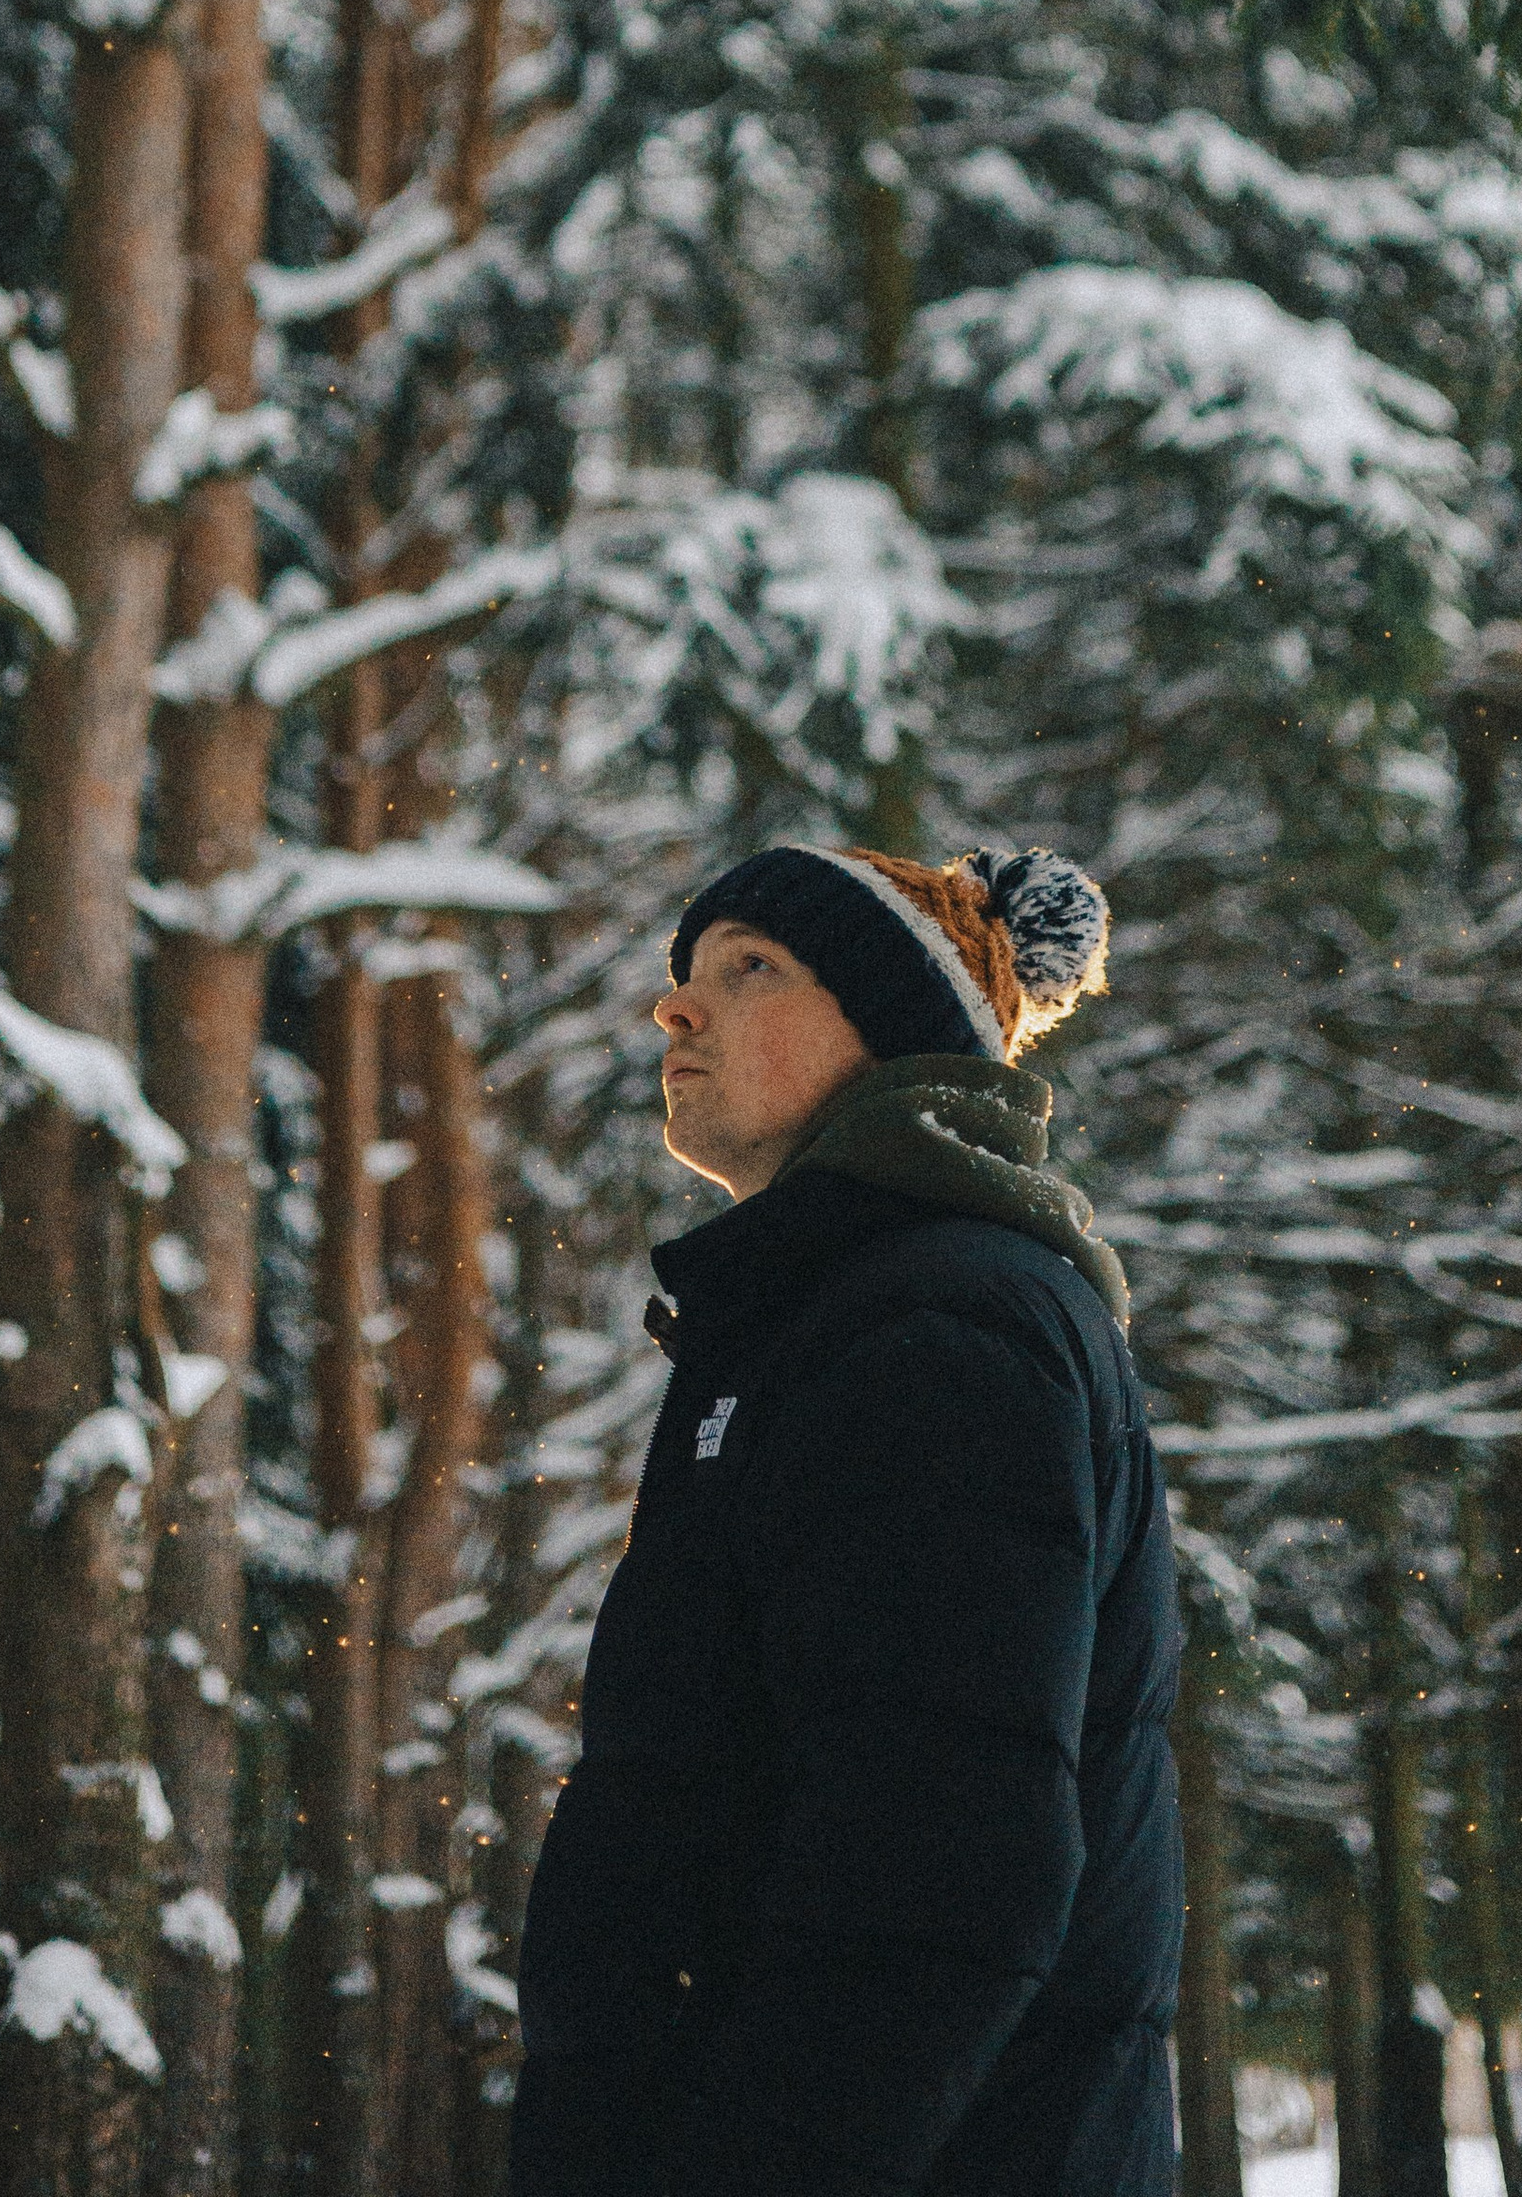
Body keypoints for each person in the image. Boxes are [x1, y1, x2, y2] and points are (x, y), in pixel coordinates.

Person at [511, 839, 1182, 2197]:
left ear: (894, 1032)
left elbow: (941, 1868)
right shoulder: (828, 1316)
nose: (675, 1008)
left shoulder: (937, 1326)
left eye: (751, 968)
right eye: (686, 974)